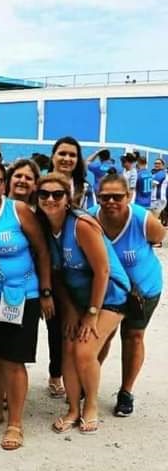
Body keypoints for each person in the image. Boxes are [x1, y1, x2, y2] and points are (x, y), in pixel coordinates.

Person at [0, 160, 54, 450]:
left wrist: (45, 291)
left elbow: (41, 250)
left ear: (3, 184)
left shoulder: (17, 211)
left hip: (21, 296)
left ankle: (15, 422)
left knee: (14, 359)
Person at [35, 173, 129, 436]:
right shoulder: (45, 227)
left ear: (68, 199)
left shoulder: (81, 225)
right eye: (44, 194)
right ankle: (73, 409)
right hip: (77, 299)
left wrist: (90, 314)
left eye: (57, 194)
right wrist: (71, 311)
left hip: (110, 297)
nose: (50, 199)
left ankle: (92, 406)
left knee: (84, 351)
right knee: (67, 347)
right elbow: (59, 275)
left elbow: (103, 271)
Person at [90, 174, 165, 417]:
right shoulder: (90, 219)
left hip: (144, 290)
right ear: (97, 197)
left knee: (133, 336)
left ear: (129, 196)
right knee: (103, 336)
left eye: (117, 196)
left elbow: (158, 238)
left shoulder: (144, 220)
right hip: (109, 291)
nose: (111, 201)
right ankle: (88, 383)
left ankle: (126, 391)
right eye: (105, 197)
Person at [7, 158, 63, 397]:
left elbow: (45, 252)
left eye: (28, 178)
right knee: (9, 336)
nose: (22, 181)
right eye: (18, 176)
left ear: (34, 185)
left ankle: (56, 374)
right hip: (8, 285)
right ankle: (4, 387)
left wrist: (46, 290)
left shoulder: (41, 213)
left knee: (56, 328)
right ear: (10, 179)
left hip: (44, 280)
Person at [48, 136, 95, 209]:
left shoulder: (85, 189)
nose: (67, 159)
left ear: (77, 160)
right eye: (62, 154)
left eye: (72, 155)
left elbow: (91, 217)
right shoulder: (38, 185)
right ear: (53, 156)